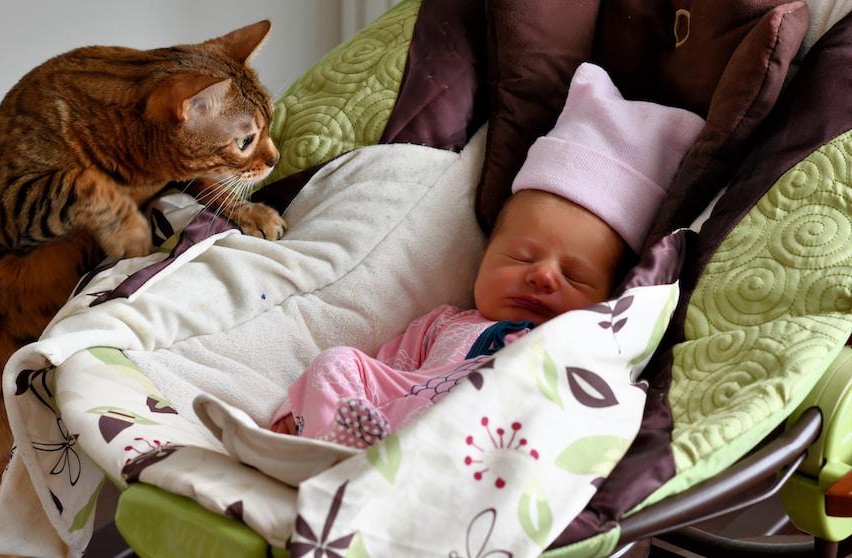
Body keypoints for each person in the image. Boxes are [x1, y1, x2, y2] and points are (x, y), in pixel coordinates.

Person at [269, 62, 705, 448]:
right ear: (484, 258)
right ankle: (319, 437)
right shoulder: (443, 323)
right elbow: (386, 375)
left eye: (575, 276)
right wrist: (322, 399)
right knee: (338, 361)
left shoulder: (576, 345)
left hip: (482, 438)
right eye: (519, 257)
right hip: (398, 419)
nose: (543, 277)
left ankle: (359, 459)